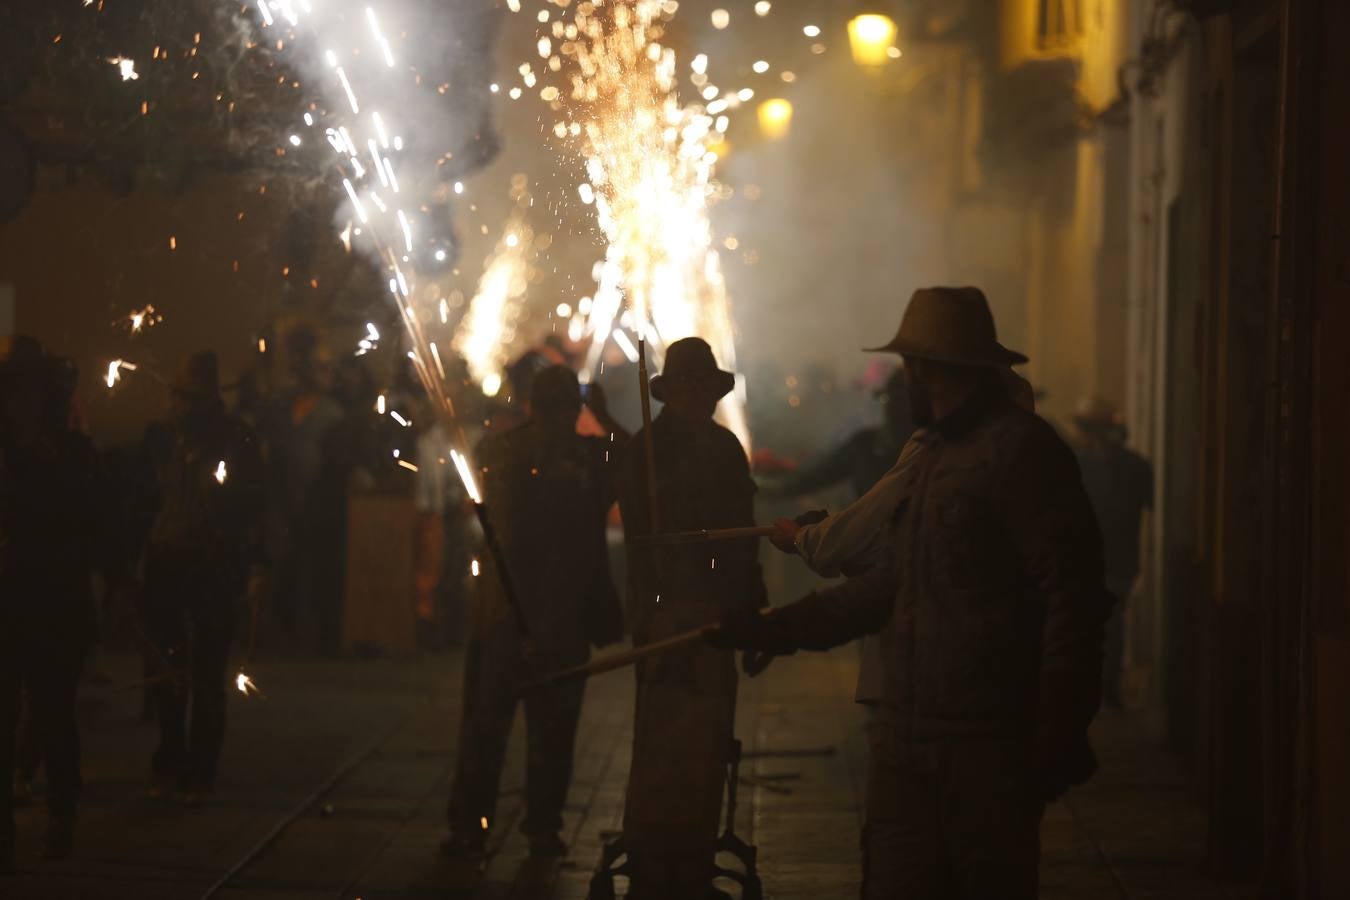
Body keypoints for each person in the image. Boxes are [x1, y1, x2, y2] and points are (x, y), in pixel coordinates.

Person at [711, 287, 1111, 899]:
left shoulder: (1020, 453)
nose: (902, 386)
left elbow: (1073, 594)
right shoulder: (927, 461)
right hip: (906, 742)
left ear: (927, 370)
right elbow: (887, 589)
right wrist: (774, 628)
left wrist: (1060, 720)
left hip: (986, 745)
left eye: (908, 370)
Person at [445, 366, 626, 860]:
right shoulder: (584, 456)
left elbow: (638, 465)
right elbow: (636, 461)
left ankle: (490, 827)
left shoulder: (515, 452)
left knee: (515, 730)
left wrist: (604, 422)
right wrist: (606, 421)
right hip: (523, 614)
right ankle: (518, 827)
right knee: (519, 729)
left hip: (529, 614)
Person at [617, 338, 767, 900]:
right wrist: (656, 603)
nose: (698, 395)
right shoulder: (644, 452)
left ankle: (694, 856)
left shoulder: (725, 449)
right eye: (689, 386)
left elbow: (741, 537)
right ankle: (655, 858)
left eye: (705, 386)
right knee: (660, 740)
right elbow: (641, 538)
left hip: (715, 615)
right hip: (664, 612)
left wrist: (749, 610)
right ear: (673, 390)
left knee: (706, 742)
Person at [139, 351, 264, 803]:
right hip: (167, 566)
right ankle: (171, 762)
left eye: (190, 396)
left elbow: (254, 506)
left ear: (210, 397)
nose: (182, 404)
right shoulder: (160, 438)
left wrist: (252, 566)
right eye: (178, 395)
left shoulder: (237, 440)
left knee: (208, 675)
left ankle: (200, 773)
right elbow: (143, 501)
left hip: (213, 568)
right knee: (168, 673)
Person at [1, 339, 105, 868]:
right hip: (14, 599)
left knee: (52, 715)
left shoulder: (70, 456)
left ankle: (61, 818)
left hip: (53, 602)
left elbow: (84, 526)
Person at [1071, 397, 1153, 708]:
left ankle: (1094, 688)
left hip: (1089, 560)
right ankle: (1107, 690)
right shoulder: (1137, 466)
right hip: (1119, 561)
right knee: (1112, 625)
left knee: (1089, 626)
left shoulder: (1078, 465)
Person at [769, 367, 915, 502]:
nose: (893, 408)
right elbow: (817, 474)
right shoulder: (865, 443)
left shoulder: (926, 449)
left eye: (900, 400)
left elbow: (816, 474)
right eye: (890, 400)